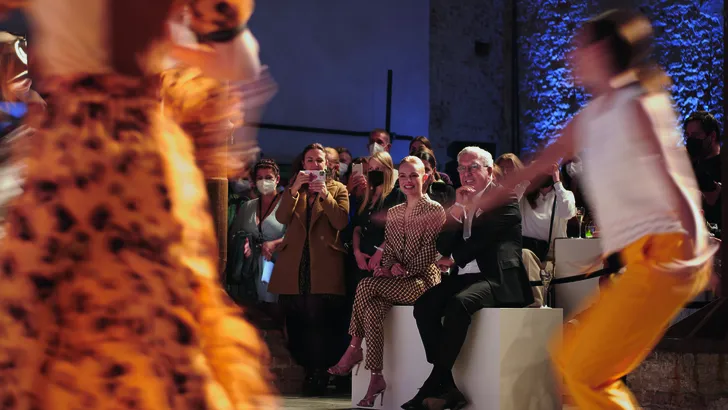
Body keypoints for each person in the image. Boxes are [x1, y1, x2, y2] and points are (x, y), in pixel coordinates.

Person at [0, 1, 276, 409]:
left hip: (66, 163)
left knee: (42, 314)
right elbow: (241, 64)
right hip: (141, 164)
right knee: (158, 316)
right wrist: (169, 49)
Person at [477, 10, 716, 409]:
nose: (570, 56)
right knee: (571, 358)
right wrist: (463, 207)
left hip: (666, 252)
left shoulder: (636, 104)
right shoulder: (590, 118)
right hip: (642, 260)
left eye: (579, 47)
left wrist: (696, 244)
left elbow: (675, 178)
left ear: (602, 51)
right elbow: (534, 167)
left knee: (583, 370)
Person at [403, 146, 534, 410]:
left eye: (473, 167)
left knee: (459, 304)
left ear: (489, 170)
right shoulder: (460, 199)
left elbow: (484, 238)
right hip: (465, 276)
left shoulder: (505, 198)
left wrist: (454, 258)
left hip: (496, 277)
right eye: (461, 168)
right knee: (424, 306)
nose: (466, 173)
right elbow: (442, 244)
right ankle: (447, 385)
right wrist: (457, 209)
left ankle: (435, 382)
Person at [329, 156, 445, 407]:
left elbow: (429, 252)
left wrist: (400, 271)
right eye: (403, 176)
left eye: (413, 175)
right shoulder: (394, 211)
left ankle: (354, 348)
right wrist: (390, 266)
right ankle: (376, 378)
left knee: (366, 285)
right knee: (371, 308)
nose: (407, 181)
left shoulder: (434, 209)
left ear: (425, 177)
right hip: (398, 281)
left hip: (424, 283)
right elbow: (390, 248)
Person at [269, 142, 350, 395]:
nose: (315, 164)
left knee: (318, 321)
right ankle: (307, 370)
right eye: (310, 160)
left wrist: (325, 194)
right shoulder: (294, 189)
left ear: (327, 164)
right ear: (303, 164)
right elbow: (281, 218)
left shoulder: (338, 189)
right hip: (295, 265)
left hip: (322, 264)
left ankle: (319, 373)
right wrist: (293, 190)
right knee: (295, 321)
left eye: (319, 160)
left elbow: (341, 221)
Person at [228, 159, 285, 306]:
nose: (264, 182)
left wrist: (275, 243)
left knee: (274, 308)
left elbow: (296, 235)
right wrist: (244, 242)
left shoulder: (287, 205)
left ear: (277, 179)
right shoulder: (247, 206)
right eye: (260, 178)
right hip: (249, 267)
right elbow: (235, 234)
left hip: (276, 265)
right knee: (250, 309)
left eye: (268, 177)